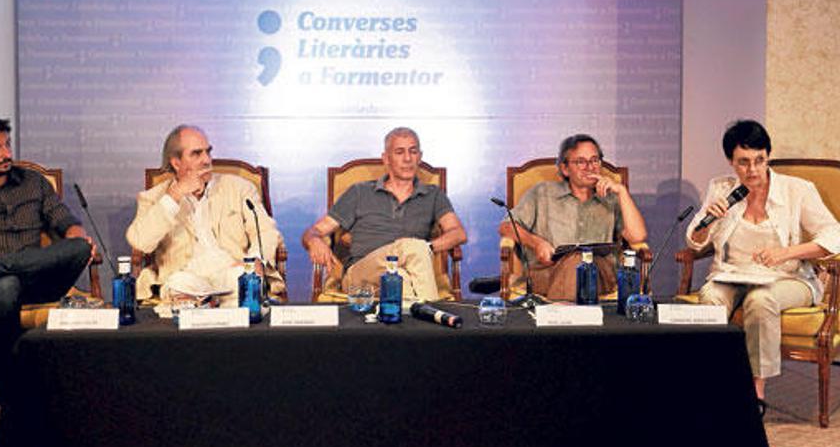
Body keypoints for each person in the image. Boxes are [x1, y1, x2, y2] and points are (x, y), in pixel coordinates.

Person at [686, 120, 840, 412]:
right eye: (744, 163)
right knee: (709, 299)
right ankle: (714, 382)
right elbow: (695, 241)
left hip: (787, 277)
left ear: (768, 156)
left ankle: (756, 392)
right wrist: (709, 217)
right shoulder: (721, 188)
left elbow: (836, 234)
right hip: (730, 275)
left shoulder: (797, 190)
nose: (753, 170)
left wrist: (787, 252)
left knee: (761, 300)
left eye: (760, 160)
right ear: (731, 162)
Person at [0, 114, 95, 406]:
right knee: (6, 286)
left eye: (7, 145)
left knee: (80, 247)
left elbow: (65, 222)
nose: (6, 154)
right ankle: (12, 397)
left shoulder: (33, 182)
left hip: (35, 279)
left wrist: (78, 236)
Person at [302, 127, 467, 303]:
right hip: (360, 274)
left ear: (419, 156)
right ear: (386, 159)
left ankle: (421, 325)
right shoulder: (359, 192)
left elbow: (458, 233)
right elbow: (315, 230)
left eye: (413, 151)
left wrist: (424, 249)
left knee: (400, 280)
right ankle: (437, 324)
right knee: (409, 254)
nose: (407, 158)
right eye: (399, 152)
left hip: (404, 272)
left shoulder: (433, 194)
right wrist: (314, 240)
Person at [126, 124, 285, 303]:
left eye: (208, 152)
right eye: (196, 153)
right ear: (176, 162)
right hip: (186, 276)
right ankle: (209, 304)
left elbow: (265, 231)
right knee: (178, 285)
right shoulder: (155, 198)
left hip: (230, 271)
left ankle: (213, 306)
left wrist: (256, 261)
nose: (206, 160)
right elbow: (140, 241)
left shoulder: (239, 188)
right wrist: (175, 195)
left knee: (243, 281)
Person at [498, 134, 647, 300]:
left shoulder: (612, 198)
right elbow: (506, 227)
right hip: (547, 272)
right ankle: (577, 319)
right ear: (565, 168)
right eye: (581, 162)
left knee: (580, 261)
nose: (589, 167)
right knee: (575, 261)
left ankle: (562, 320)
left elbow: (637, 236)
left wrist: (622, 192)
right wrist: (537, 243)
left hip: (599, 274)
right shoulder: (543, 193)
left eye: (594, 160)